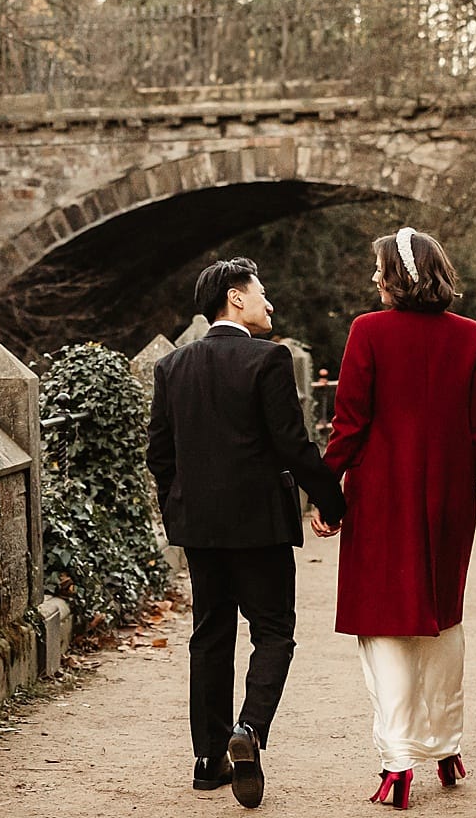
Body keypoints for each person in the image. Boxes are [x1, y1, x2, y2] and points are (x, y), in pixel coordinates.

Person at [316, 226, 476, 810]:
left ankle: (398, 762)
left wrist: (326, 491)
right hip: (449, 494)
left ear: (398, 276)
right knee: (440, 616)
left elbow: (349, 423)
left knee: (386, 623)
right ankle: (446, 747)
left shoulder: (367, 332)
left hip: (382, 494)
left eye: (379, 269)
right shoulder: (468, 335)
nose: (374, 278)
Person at [147, 257, 346, 809]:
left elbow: (159, 456)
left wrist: (181, 512)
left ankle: (208, 761)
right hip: (260, 526)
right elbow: (292, 444)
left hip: (200, 531)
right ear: (235, 298)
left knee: (210, 636)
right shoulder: (269, 359)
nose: (270, 305)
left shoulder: (174, 367)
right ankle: (250, 731)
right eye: (262, 294)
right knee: (274, 631)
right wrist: (333, 501)